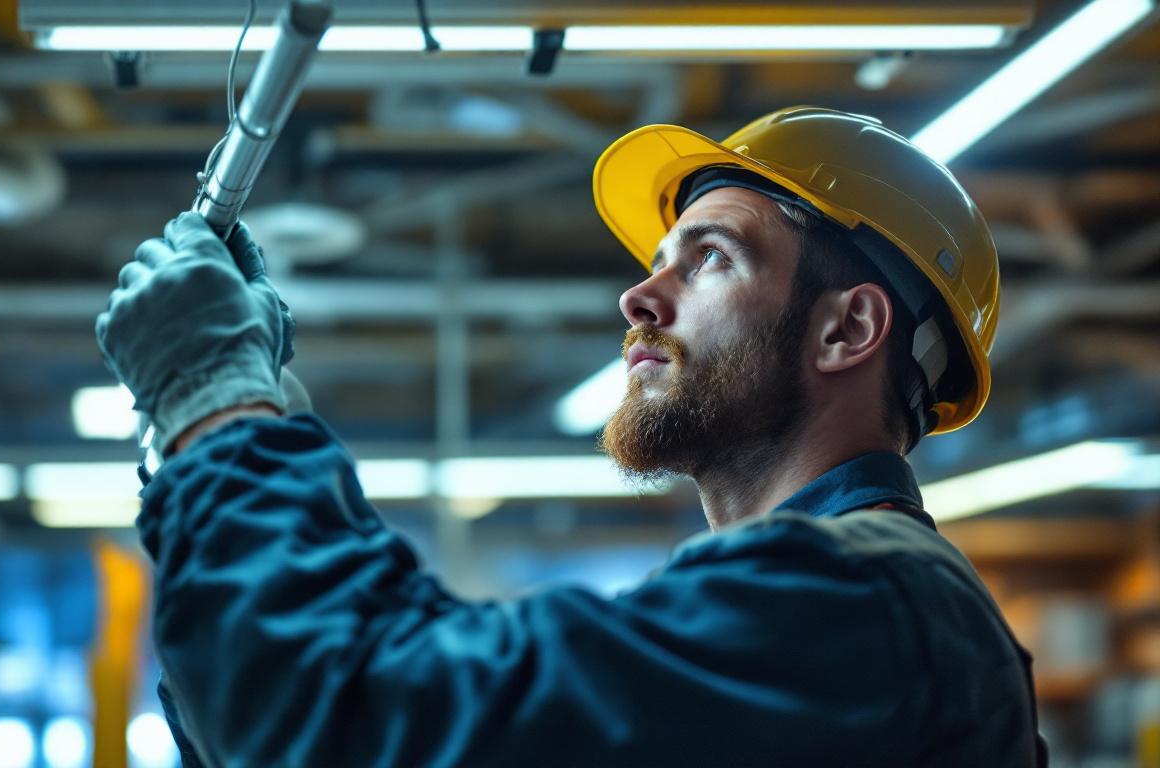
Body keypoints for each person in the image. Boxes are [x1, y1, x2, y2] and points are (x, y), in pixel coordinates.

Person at [96, 106, 1046, 767]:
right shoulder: (807, 607)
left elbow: (370, 724)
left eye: (711, 256)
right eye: (656, 260)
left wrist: (217, 402)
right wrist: (225, 429)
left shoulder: (858, 605)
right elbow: (290, 729)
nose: (639, 295)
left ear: (848, 329)